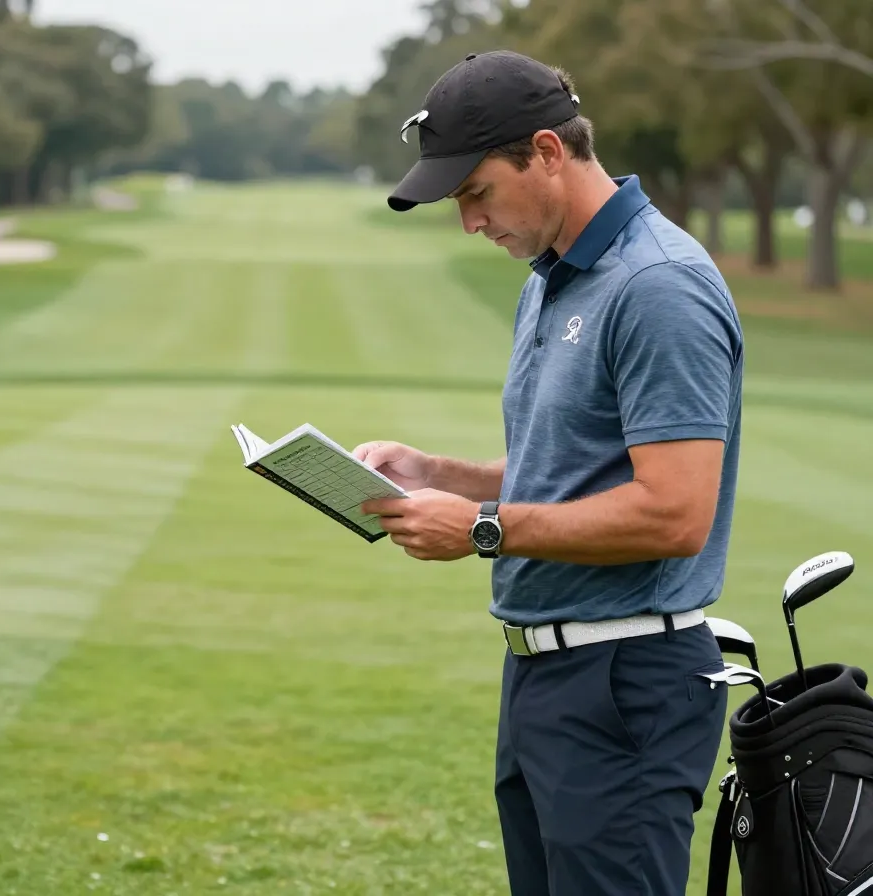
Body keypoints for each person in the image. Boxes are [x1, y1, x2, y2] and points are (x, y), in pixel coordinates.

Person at [355, 50, 745, 896]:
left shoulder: (657, 286)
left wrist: (484, 530)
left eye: (476, 193)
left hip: (625, 685)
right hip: (543, 675)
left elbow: (676, 513)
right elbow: (563, 469)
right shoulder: (556, 278)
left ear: (547, 151)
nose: (469, 222)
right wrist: (441, 474)